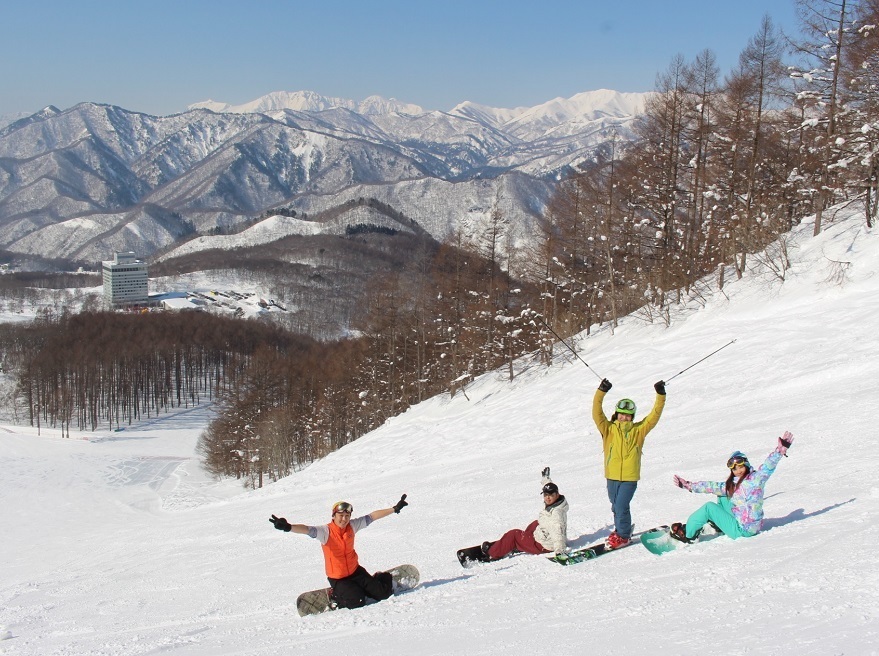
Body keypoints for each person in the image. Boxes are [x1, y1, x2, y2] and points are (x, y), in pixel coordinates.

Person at [269, 494, 408, 609]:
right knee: (357, 602)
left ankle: (377, 579)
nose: (344, 519)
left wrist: (394, 509)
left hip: (356, 572)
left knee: (383, 594)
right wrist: (288, 527)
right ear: (334, 516)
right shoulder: (325, 532)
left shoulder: (352, 526)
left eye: (347, 516)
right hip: (338, 578)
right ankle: (334, 594)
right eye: (341, 515)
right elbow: (306, 529)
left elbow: (372, 517)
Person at [670, 432, 794, 543]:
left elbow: (768, 467)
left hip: (743, 530)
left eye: (740, 466)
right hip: (748, 525)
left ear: (746, 464)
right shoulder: (733, 485)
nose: (738, 470)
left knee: (709, 508)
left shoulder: (756, 479)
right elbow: (712, 487)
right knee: (722, 495)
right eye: (734, 469)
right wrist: (688, 485)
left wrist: (779, 451)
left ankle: (688, 535)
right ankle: (720, 525)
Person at [592, 378, 666, 549]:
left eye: (628, 415)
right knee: (616, 507)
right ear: (617, 414)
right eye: (621, 414)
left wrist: (660, 395)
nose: (624, 418)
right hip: (612, 476)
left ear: (632, 416)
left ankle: (624, 536)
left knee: (621, 505)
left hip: (630, 477)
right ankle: (620, 530)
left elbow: (654, 416)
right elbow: (596, 412)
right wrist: (601, 391)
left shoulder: (638, 431)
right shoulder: (608, 429)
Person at [481, 467, 569, 560]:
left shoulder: (556, 514)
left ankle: (492, 552)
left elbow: (558, 531)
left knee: (513, 535)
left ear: (557, 494)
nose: (548, 498)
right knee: (535, 523)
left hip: (544, 545)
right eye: (545, 495)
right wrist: (545, 478)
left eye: (551, 495)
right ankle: (522, 544)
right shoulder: (557, 503)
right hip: (546, 537)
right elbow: (548, 486)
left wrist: (560, 551)